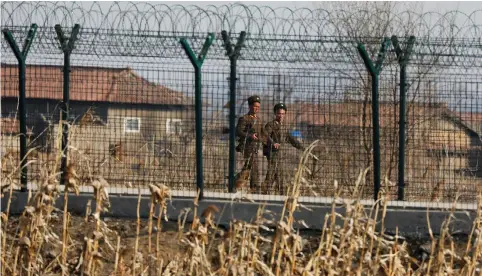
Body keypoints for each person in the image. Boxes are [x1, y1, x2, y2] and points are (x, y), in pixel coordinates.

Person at [262, 103, 304, 194]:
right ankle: (263, 198)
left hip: (281, 157)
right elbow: (265, 135)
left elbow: (292, 139)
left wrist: (303, 148)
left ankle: (280, 197)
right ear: (275, 114)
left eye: (282, 114)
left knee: (279, 179)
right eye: (279, 114)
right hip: (273, 156)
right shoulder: (270, 125)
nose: (281, 116)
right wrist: (273, 143)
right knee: (271, 178)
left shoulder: (284, 127)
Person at [235, 95, 264, 192]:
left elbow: (261, 133)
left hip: (256, 147)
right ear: (250, 106)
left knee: (248, 167)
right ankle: (254, 189)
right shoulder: (244, 118)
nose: (256, 109)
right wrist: (249, 136)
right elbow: (238, 131)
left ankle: (236, 181)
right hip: (247, 147)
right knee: (254, 168)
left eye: (258, 107)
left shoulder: (259, 120)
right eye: (255, 106)